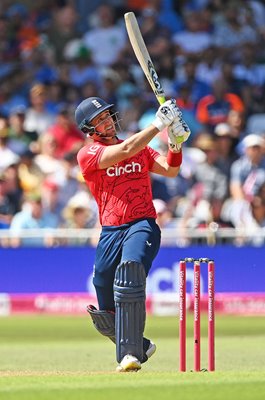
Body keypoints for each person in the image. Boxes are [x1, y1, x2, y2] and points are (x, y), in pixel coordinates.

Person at [74, 96, 190, 372]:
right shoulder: (88, 154)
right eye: (99, 119)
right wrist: (158, 125)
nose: (107, 121)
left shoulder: (141, 148)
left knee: (130, 271)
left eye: (107, 115)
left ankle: (130, 355)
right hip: (111, 231)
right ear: (89, 130)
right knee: (103, 296)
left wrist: (175, 143)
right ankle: (140, 343)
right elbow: (125, 149)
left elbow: (171, 170)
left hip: (142, 224)